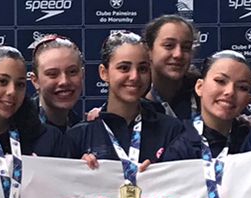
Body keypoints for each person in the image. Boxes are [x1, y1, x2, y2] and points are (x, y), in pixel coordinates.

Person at [57, 32, 180, 173]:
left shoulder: (172, 130)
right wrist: (78, 169)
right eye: (124, 68)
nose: (135, 76)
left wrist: (160, 173)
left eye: (143, 69)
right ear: (104, 73)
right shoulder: (78, 136)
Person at [142, 14, 199, 120]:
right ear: (148, 50)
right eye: (169, 45)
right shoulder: (133, 100)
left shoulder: (205, 97)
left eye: (186, 47)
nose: (178, 54)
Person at [30, 33, 88, 129]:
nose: (64, 81)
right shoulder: (15, 128)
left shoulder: (83, 132)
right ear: (35, 81)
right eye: (52, 74)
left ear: (82, 74)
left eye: (72, 72)